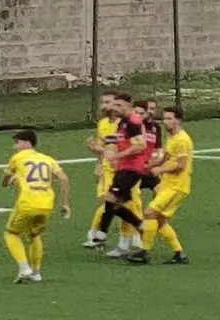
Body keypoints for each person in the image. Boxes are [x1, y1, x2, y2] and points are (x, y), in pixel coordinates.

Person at [2, 128, 70, 283]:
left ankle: (24, 268)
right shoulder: (48, 159)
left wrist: (11, 179)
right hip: (46, 205)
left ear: (27, 143)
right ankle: (36, 272)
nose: (14, 147)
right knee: (34, 235)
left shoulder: (18, 157)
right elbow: (64, 179)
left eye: (17, 143)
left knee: (11, 233)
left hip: (27, 203)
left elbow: (5, 178)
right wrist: (65, 203)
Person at [129, 105, 192, 266]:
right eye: (164, 118)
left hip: (177, 186)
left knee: (150, 213)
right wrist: (148, 165)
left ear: (178, 120)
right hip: (168, 184)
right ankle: (179, 254)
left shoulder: (183, 140)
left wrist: (159, 169)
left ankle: (144, 252)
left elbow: (181, 165)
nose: (166, 122)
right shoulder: (171, 137)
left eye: (170, 118)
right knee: (160, 220)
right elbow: (165, 157)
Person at [91, 101, 150, 259]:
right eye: (114, 105)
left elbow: (141, 146)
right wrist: (101, 152)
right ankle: (140, 225)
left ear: (128, 106)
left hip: (132, 168)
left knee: (111, 199)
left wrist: (117, 156)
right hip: (122, 167)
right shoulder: (122, 122)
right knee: (114, 203)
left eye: (119, 105)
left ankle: (102, 233)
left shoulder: (133, 122)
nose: (114, 108)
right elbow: (116, 143)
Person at [82, 93, 123, 249]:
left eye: (107, 102)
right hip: (107, 169)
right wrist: (98, 163)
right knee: (112, 202)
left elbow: (118, 149)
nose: (103, 106)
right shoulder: (103, 123)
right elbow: (103, 149)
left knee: (115, 202)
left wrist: (96, 147)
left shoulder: (123, 124)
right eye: (102, 102)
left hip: (121, 169)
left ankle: (96, 233)